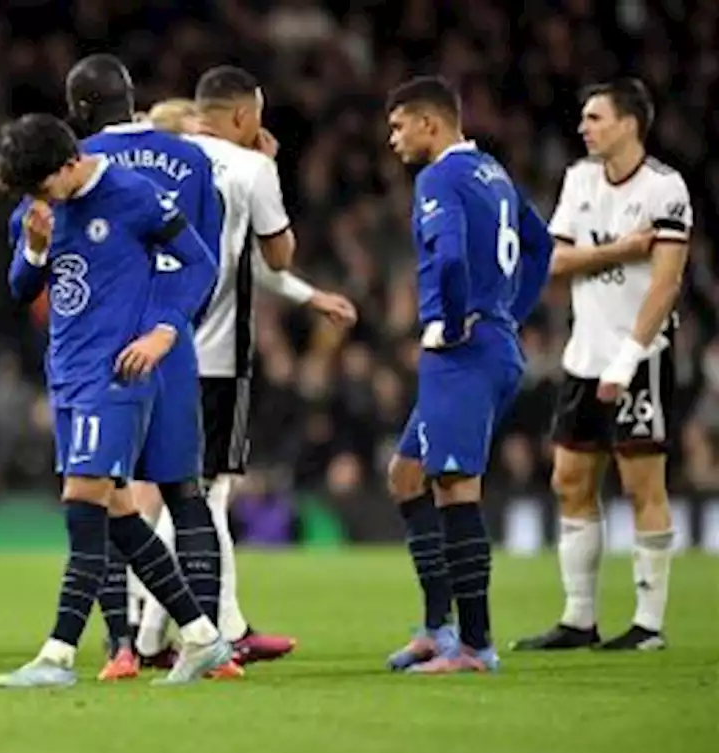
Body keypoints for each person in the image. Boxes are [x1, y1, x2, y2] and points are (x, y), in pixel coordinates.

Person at [0, 114, 229, 687]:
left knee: (84, 500)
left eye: (42, 187)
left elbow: (201, 263)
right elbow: (21, 288)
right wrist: (35, 246)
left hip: (115, 372)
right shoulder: (39, 208)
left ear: (70, 163)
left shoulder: (133, 195)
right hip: (67, 372)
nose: (36, 199)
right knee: (118, 512)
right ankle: (201, 637)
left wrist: (165, 330)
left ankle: (58, 655)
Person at [133, 75, 358, 668]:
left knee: (190, 494)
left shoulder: (161, 164)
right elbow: (276, 254)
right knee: (203, 497)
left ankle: (158, 634)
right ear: (240, 116)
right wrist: (266, 171)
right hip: (214, 359)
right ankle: (207, 630)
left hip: (145, 348)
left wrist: (309, 298)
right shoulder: (248, 166)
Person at [61, 52, 231, 680]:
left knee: (107, 490)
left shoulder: (79, 162)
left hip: (104, 347)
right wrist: (174, 323)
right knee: (188, 496)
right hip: (173, 342)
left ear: (79, 107)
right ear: (131, 97)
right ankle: (207, 646)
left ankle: (120, 648)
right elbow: (202, 257)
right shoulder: (192, 157)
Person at [513, 79, 692, 652]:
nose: (583, 127)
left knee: (643, 484)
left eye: (594, 117)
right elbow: (554, 259)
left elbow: (664, 286)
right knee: (569, 480)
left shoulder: (665, 189)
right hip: (583, 356)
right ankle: (579, 619)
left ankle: (648, 625)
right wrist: (618, 250)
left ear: (628, 124)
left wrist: (627, 358)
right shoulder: (580, 179)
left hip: (640, 357)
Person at [382, 76, 553, 673]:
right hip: (491, 341)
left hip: (463, 349)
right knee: (406, 476)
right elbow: (542, 247)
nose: (393, 138)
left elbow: (450, 256)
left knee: (454, 485)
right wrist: (510, 311)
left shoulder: (440, 178)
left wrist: (458, 321)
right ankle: (436, 628)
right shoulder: (493, 173)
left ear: (430, 123)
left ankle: (476, 646)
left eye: (400, 126)